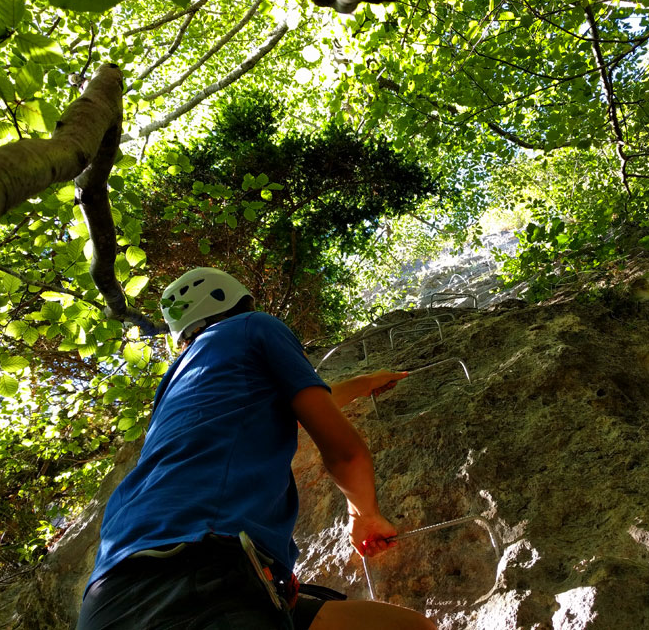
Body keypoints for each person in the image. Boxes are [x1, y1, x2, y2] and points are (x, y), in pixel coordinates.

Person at [77, 267, 436, 630]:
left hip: (112, 595)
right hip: (200, 574)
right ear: (242, 301)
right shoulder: (253, 327)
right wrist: (363, 515)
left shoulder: (177, 379)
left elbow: (269, 408)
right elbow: (345, 451)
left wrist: (363, 383)